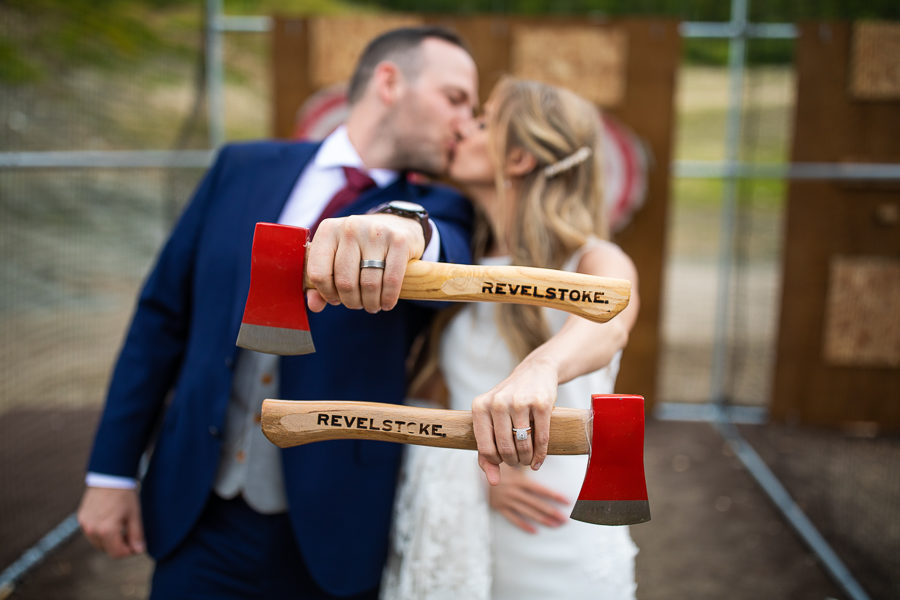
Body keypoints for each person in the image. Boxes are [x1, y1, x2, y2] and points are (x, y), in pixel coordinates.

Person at [76, 26, 478, 599]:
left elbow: (446, 248)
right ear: (390, 82)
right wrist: (110, 473)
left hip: (332, 531)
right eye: (455, 98)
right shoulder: (241, 167)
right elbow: (160, 320)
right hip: (199, 512)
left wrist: (402, 226)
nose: (464, 121)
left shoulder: (440, 207)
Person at [381, 77, 641, 600]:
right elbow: (438, 394)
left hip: (555, 524)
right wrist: (475, 471)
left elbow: (609, 322)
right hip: (472, 519)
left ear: (519, 158)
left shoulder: (592, 260)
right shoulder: (458, 264)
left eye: (481, 121)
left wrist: (540, 368)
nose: (461, 127)